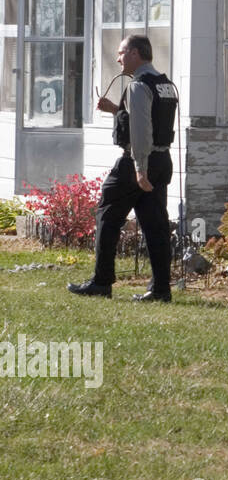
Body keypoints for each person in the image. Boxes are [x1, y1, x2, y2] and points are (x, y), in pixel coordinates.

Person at [69, 35, 179, 303]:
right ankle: (161, 290)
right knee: (156, 227)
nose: (117, 58)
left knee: (107, 215)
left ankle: (101, 282)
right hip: (162, 160)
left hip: (136, 162)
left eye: (121, 53)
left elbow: (141, 131)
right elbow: (151, 120)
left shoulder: (139, 86)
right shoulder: (165, 83)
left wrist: (140, 169)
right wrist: (115, 110)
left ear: (135, 54)